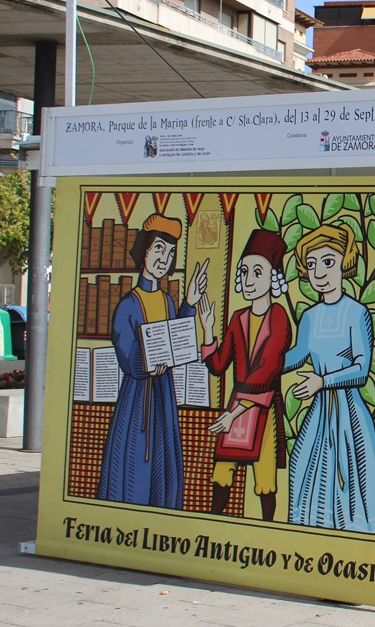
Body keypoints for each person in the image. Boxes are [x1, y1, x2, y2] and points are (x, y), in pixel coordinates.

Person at [97, 213, 207, 509]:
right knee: (135, 460)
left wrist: (190, 304)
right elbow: (126, 352)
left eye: (170, 253)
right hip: (138, 401)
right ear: (144, 250)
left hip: (163, 395)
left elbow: (176, 337)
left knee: (162, 460)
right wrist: (147, 361)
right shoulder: (129, 304)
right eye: (159, 249)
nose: (164, 259)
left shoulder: (168, 301)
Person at [285, 225, 375, 534]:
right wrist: (262, 358)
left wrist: (322, 381)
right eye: (311, 265)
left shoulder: (356, 312)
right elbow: (297, 355)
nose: (319, 272)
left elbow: (362, 369)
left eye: (328, 261)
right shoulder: (310, 317)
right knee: (304, 472)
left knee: (352, 483)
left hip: (349, 416)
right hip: (318, 416)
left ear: (345, 262)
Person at [197, 230, 292, 521]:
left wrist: (234, 412)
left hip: (262, 407)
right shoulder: (238, 318)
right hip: (237, 406)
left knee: (264, 481)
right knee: (222, 472)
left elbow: (267, 369)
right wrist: (208, 330)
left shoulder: (279, 317)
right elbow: (218, 364)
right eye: (245, 271)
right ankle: (212, 527)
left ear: (272, 277)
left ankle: (266, 534)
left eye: (257, 272)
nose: (249, 280)